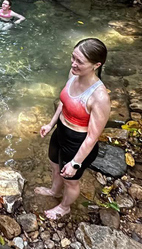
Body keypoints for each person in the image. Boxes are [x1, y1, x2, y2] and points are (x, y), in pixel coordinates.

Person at [35, 38, 110, 219]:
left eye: (79, 62)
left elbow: (93, 136)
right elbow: (64, 103)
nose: (73, 64)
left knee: (71, 181)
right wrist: (51, 124)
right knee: (55, 165)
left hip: (77, 142)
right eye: (73, 58)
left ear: (96, 65)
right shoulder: (73, 74)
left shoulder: (99, 97)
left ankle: (64, 207)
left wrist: (75, 163)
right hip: (60, 131)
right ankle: (54, 191)